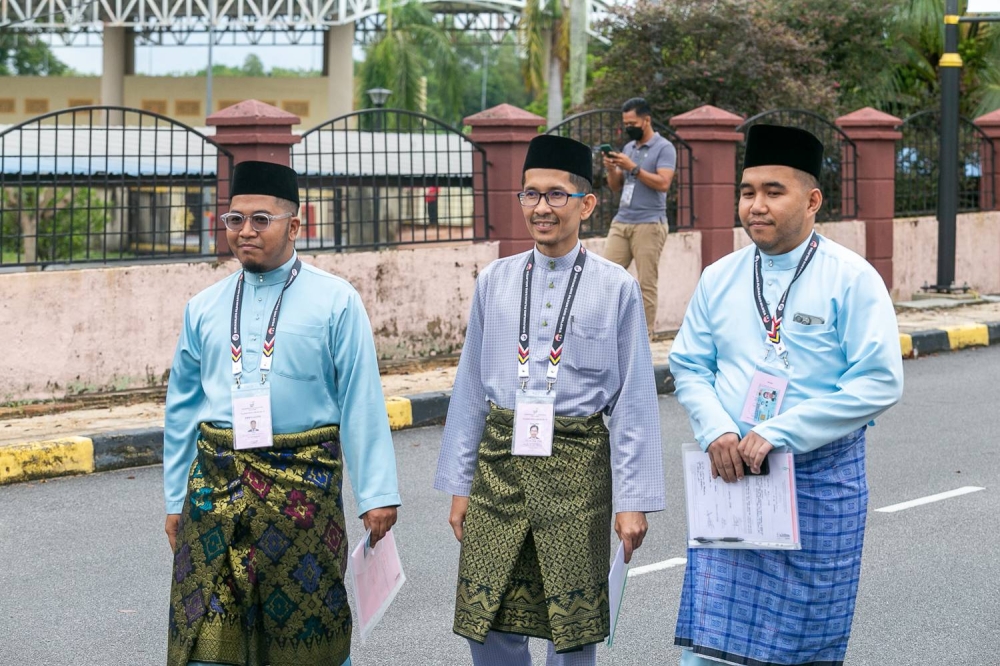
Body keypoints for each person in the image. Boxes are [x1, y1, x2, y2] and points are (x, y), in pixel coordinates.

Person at [669, 124, 904, 666]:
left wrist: (781, 431)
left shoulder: (851, 278)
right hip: (732, 476)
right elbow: (689, 363)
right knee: (714, 644)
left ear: (812, 200)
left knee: (804, 643)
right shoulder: (719, 277)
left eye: (774, 192)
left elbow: (879, 380)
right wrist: (716, 429)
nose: (756, 205)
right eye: (748, 191)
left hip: (820, 482)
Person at [434, 134, 666, 666]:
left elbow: (633, 402)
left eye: (556, 194)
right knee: (486, 617)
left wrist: (632, 500)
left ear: (586, 204)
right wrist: (459, 486)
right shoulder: (495, 280)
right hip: (499, 468)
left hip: (578, 473)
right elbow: (470, 389)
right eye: (531, 194)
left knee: (572, 629)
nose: (541, 207)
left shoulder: (616, 287)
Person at [162, 160, 401, 666]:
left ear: (295, 225)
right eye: (235, 219)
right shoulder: (203, 306)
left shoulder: (336, 301)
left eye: (260, 220)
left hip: (303, 491)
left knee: (307, 635)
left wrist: (376, 493)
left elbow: (360, 398)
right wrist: (174, 498)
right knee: (204, 630)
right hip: (215, 487)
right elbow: (182, 409)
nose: (245, 231)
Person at [602, 97, 677, 336]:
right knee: (605, 276)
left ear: (646, 120)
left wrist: (632, 167)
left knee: (646, 284)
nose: (628, 128)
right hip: (622, 220)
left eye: (632, 123)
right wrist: (611, 169)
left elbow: (663, 183)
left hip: (649, 223)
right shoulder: (629, 148)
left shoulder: (664, 148)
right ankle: (609, 332)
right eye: (625, 123)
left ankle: (644, 337)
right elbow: (616, 186)